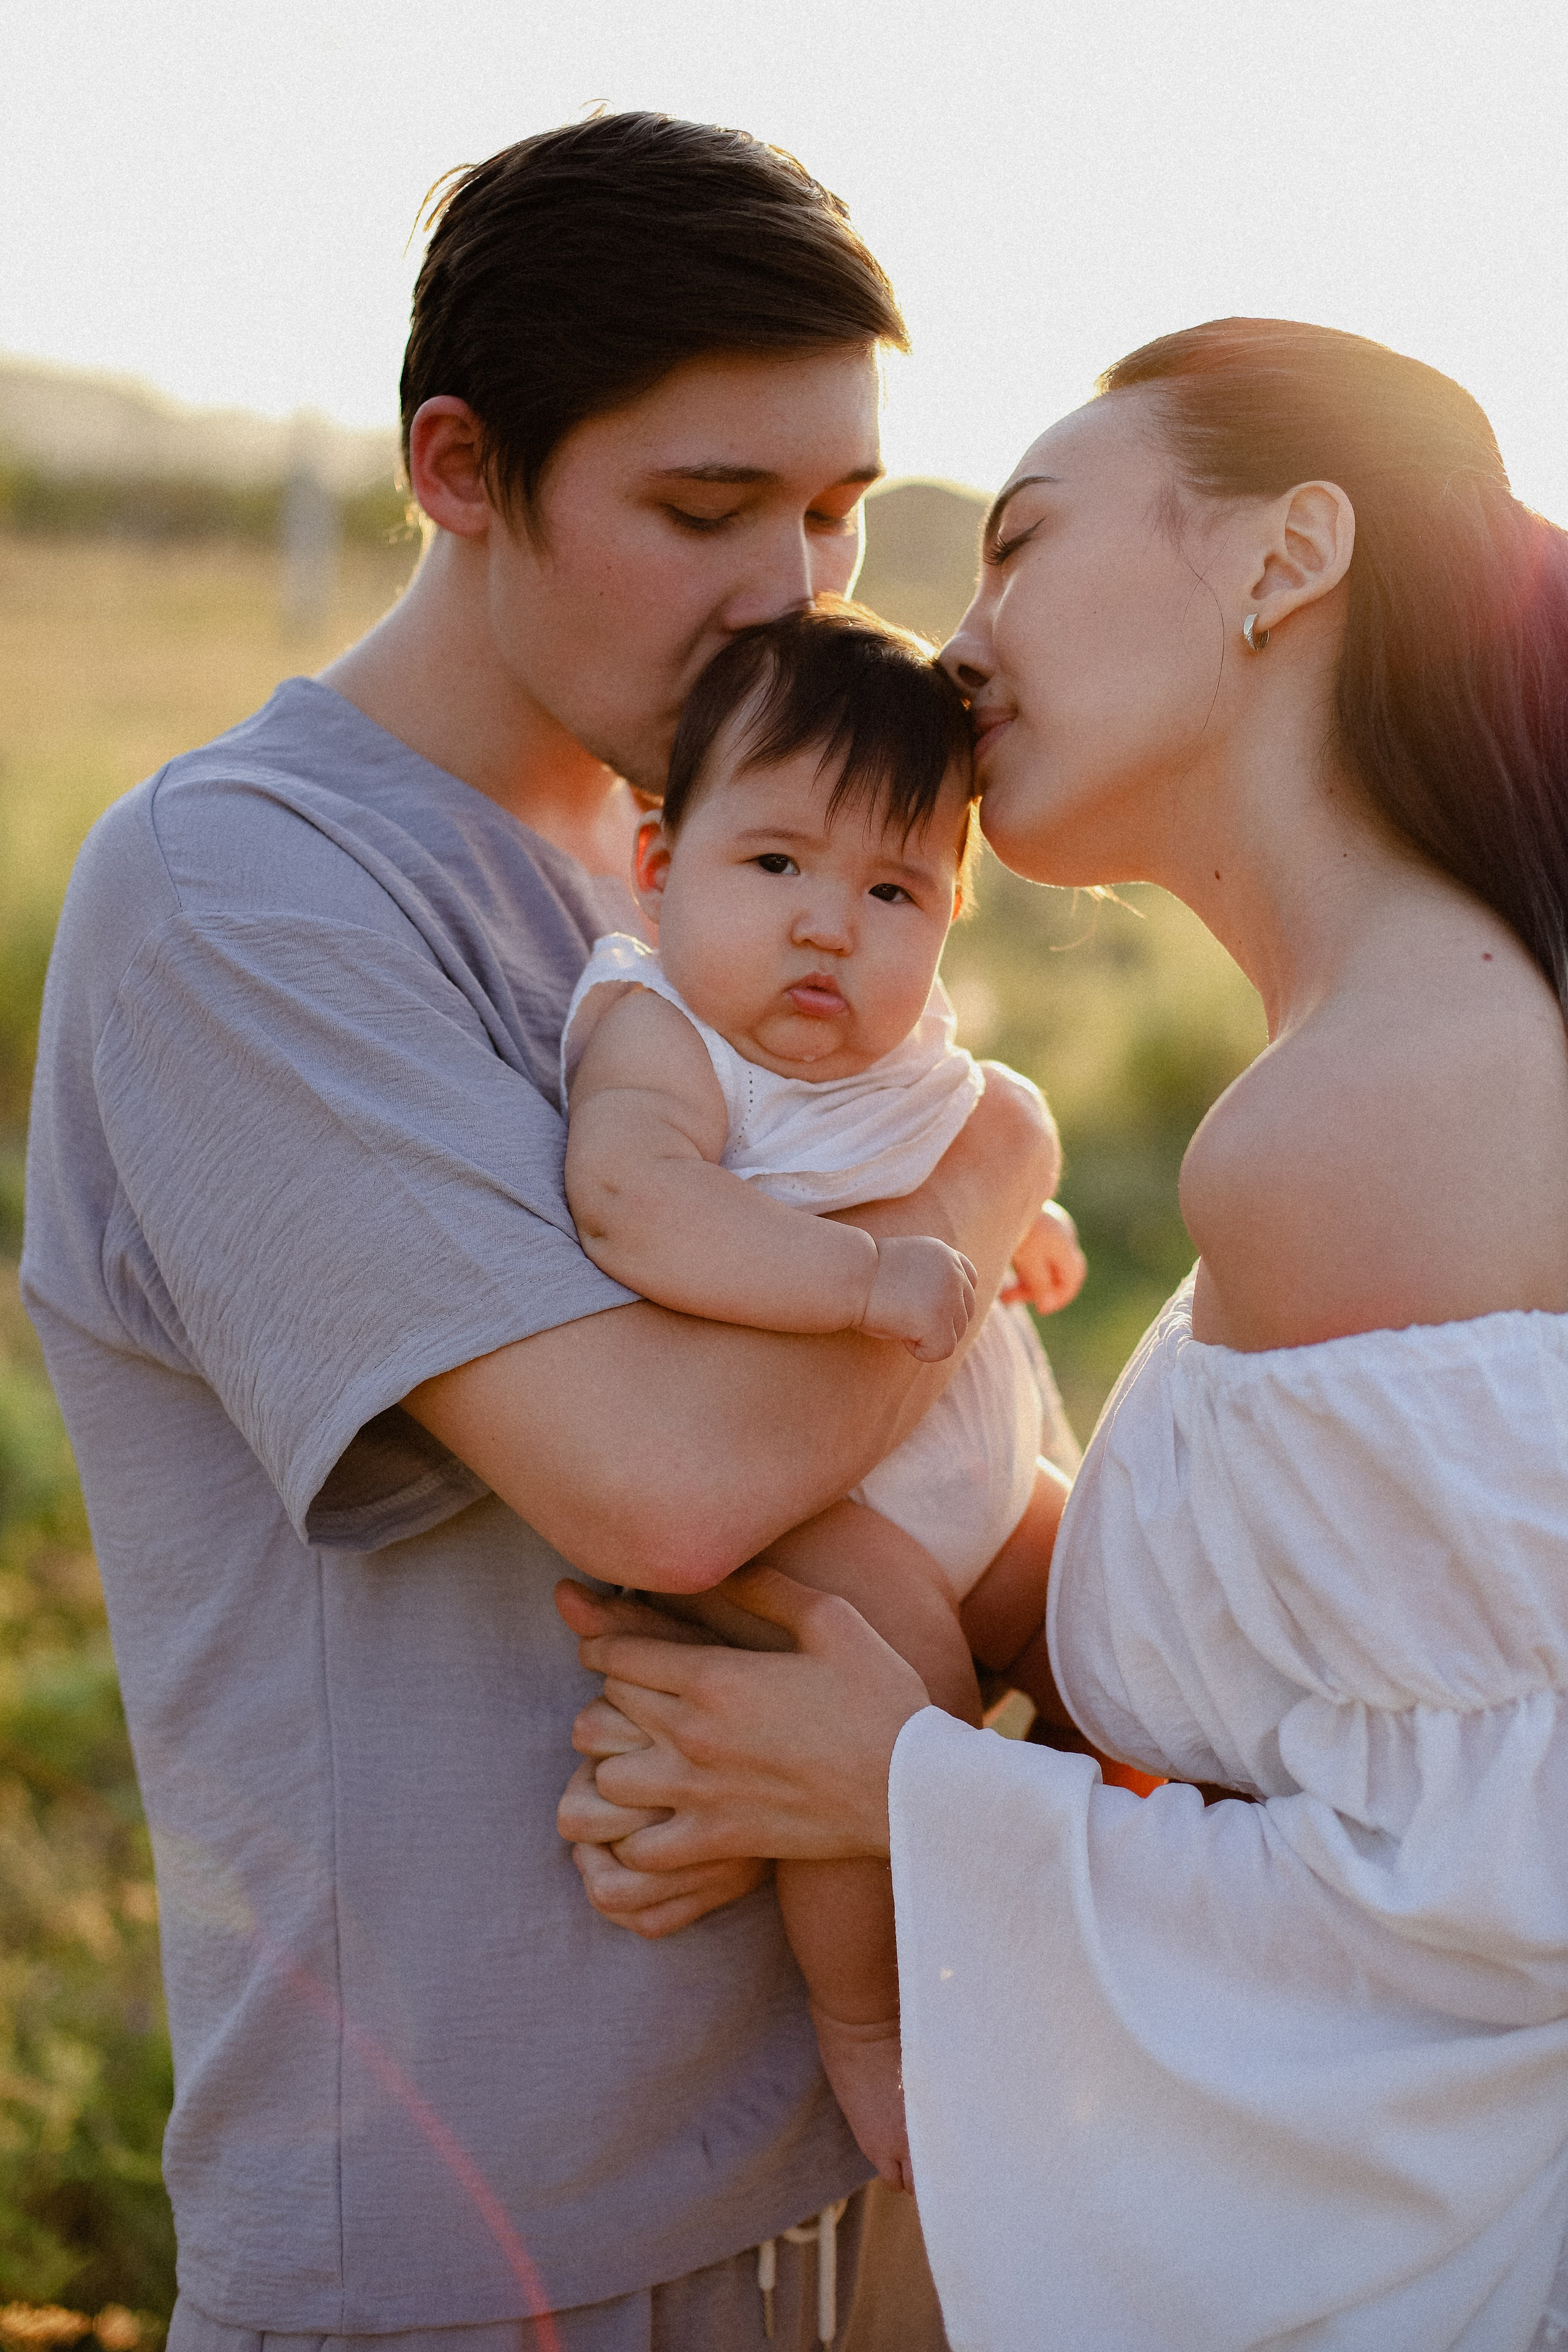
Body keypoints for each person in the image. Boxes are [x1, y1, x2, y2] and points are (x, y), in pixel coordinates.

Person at [21, 113, 1058, 2350]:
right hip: (481, 2228)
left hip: (851, 2153)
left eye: (834, 510)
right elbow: (663, 1480)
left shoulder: (722, 875)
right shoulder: (246, 887)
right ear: (459, 467)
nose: (789, 589)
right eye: (704, 511)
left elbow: (932, 1451)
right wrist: (987, 1183)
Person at [557, 318, 1568, 2351]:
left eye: (1017, 545)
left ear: (1288, 561)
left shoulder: (1382, 1114)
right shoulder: (1395, 1065)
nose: (958, 639)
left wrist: (907, 1790)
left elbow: (1501, 1905)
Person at [560, 601, 1086, 2188]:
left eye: (891, 889)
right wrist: (868, 1283)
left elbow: (932, 1132)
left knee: (1117, 1606)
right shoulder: (661, 1037)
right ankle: (875, 2028)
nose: (828, 927)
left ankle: (1123, 1940)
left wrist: (1021, 1220)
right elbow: (631, 1204)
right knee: (899, 1687)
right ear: (660, 862)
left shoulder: (891, 1032)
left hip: (980, 1477)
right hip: (823, 1503)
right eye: (774, 864)